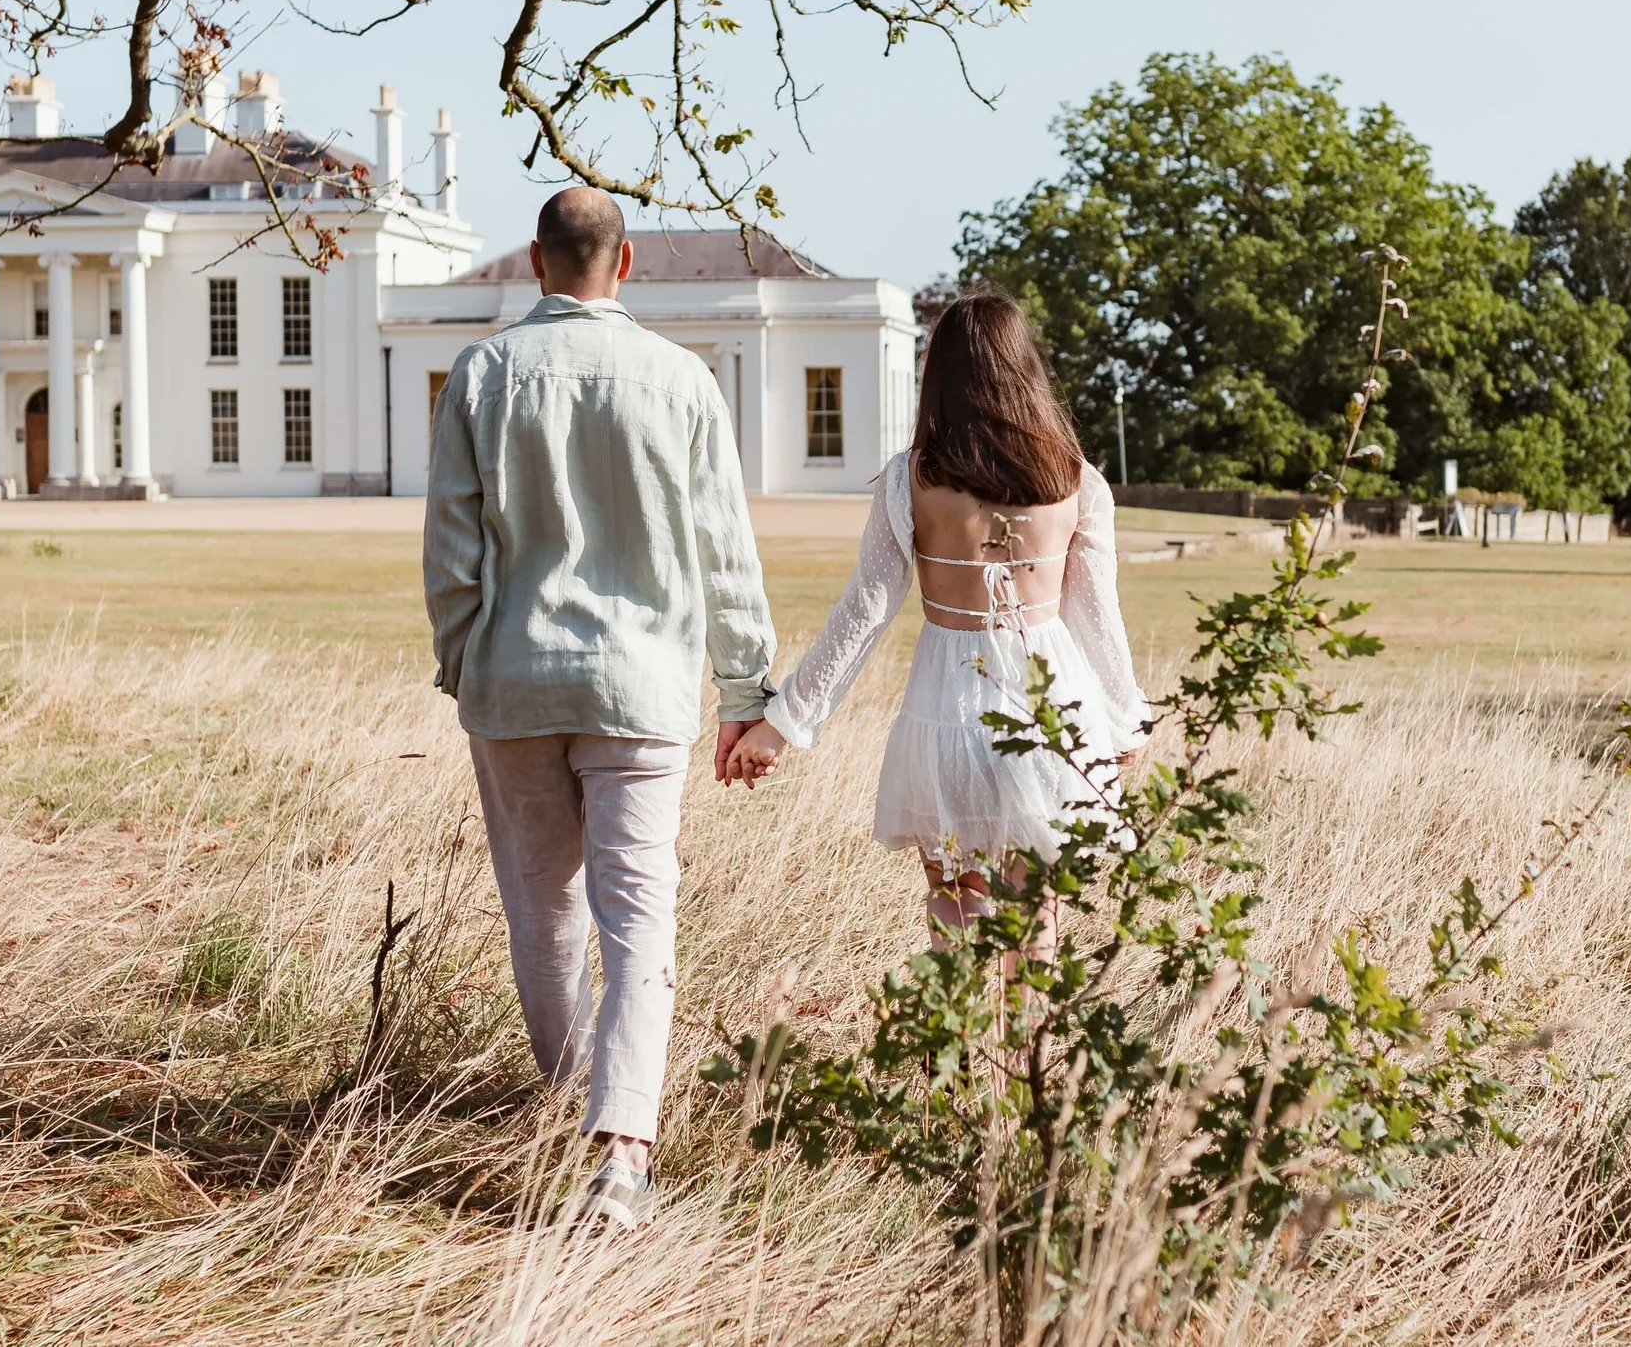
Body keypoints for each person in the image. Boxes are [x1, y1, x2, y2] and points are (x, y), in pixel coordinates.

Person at [424, 187, 774, 1230]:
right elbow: (724, 550)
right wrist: (746, 686)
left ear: (535, 260)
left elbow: (453, 548)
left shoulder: (482, 373)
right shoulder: (681, 378)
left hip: (515, 678)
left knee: (545, 916)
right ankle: (619, 1149)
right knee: (638, 915)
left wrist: (463, 664)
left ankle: (570, 1107)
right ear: (625, 267)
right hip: (644, 687)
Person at [722, 288, 1148, 933]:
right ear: (1025, 370)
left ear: (938, 375)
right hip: (1054, 708)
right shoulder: (1078, 480)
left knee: (955, 905)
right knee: (1036, 919)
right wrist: (1123, 723)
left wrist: (783, 723)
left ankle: (962, 1036)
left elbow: (863, 612)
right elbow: (1098, 617)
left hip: (949, 705)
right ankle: (1022, 1034)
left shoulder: (907, 479)